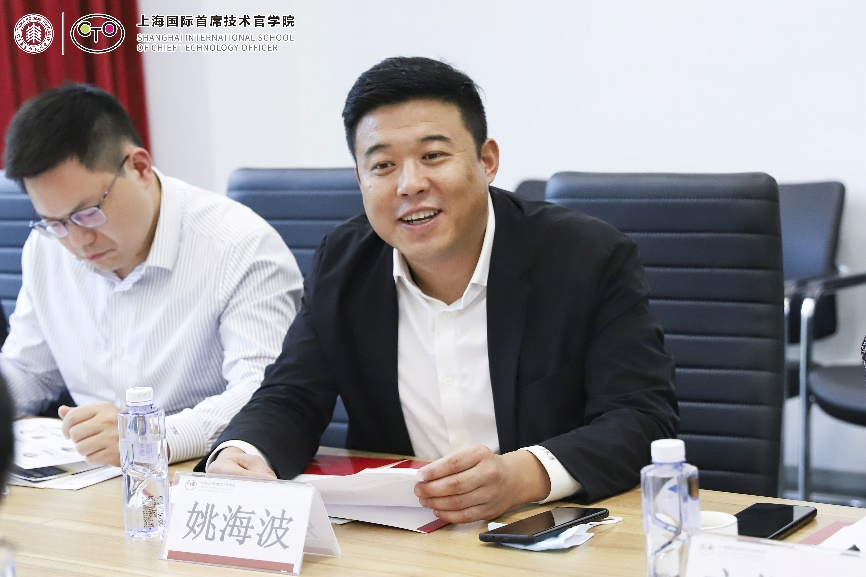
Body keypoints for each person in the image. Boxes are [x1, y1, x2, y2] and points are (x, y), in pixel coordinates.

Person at [204, 56, 678, 524]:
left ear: (487, 161)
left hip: (547, 527)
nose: (410, 185)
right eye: (383, 165)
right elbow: (292, 396)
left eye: (433, 156)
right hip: (403, 536)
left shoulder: (586, 257)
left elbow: (641, 418)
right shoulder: (342, 264)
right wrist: (244, 453)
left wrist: (523, 476)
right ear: (360, 179)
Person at [1, 84, 303, 467]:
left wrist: (148, 436)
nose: (77, 241)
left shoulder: (240, 246)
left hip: (204, 472)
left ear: (140, 168)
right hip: (91, 477)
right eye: (55, 223)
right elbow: (28, 370)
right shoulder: (46, 248)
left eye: (88, 213)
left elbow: (265, 393)